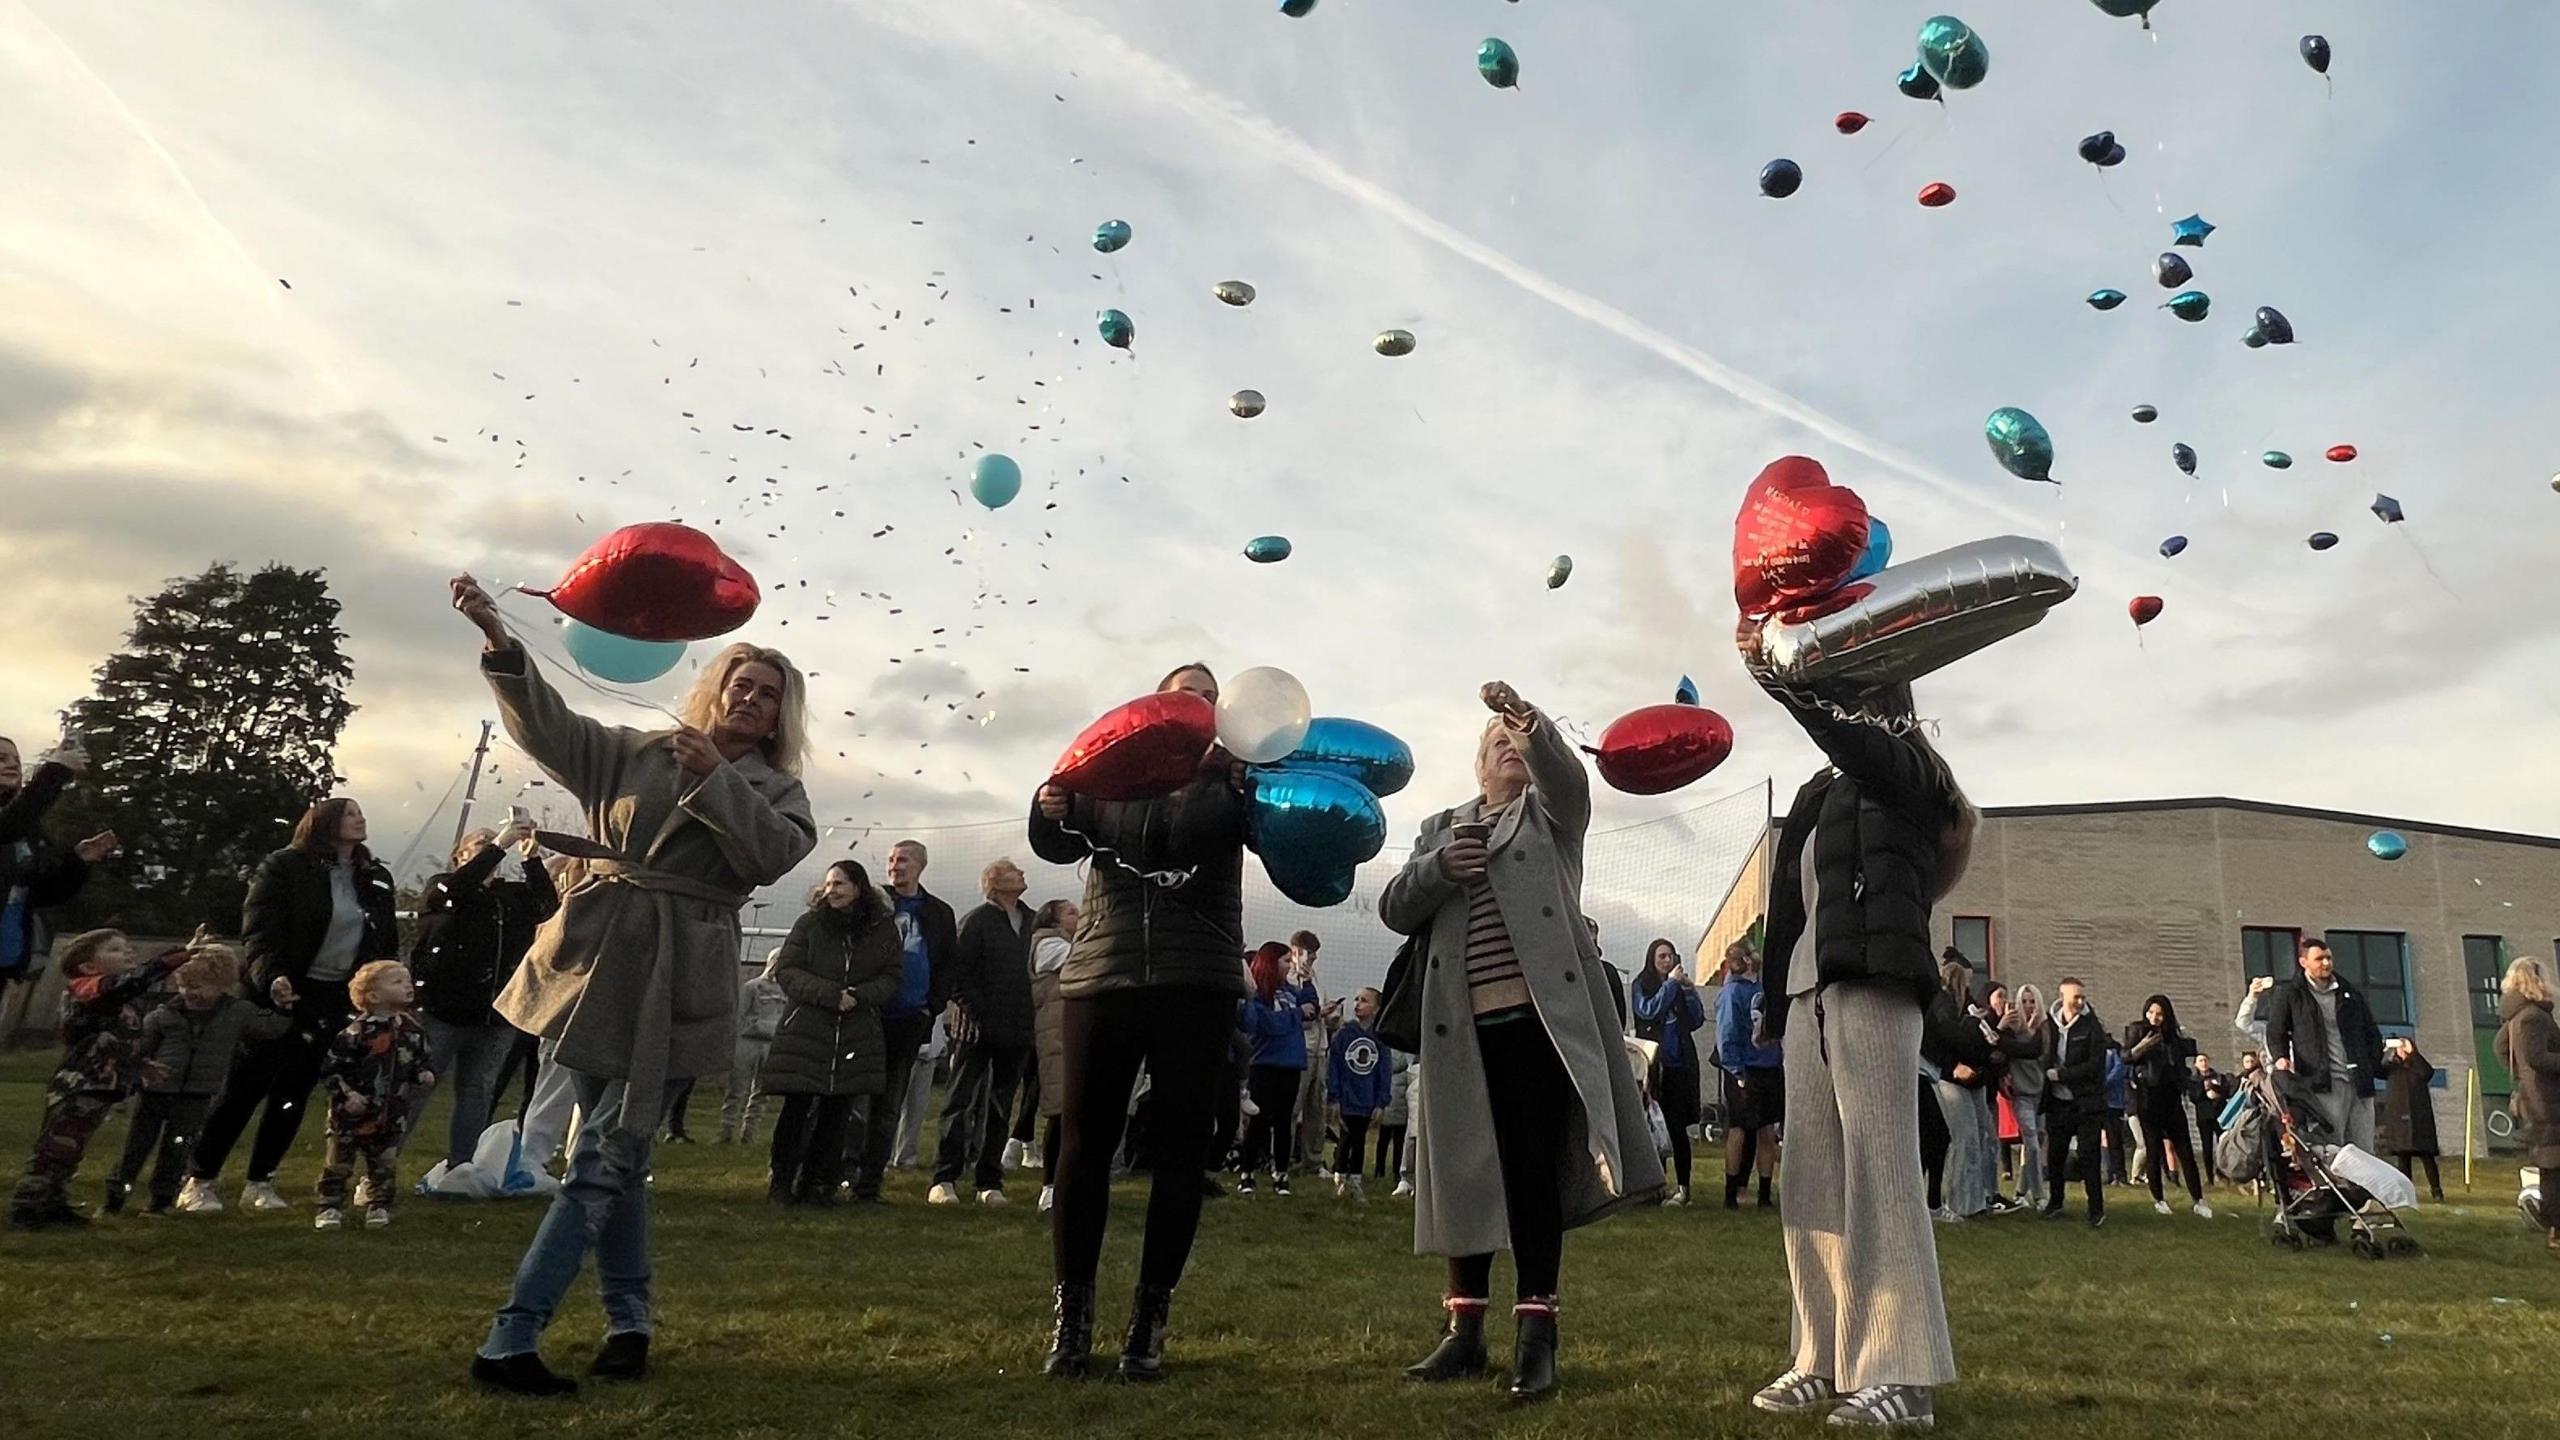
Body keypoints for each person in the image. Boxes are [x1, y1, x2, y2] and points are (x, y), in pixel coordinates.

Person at [450, 573, 816, 1398]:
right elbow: (548, 726)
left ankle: (512, 1336)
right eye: (741, 684)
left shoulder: (781, 793)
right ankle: (630, 1322)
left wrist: (711, 779)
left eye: (768, 695)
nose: (752, 700)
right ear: (714, 689)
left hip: (681, 970)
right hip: (592, 959)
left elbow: (769, 856)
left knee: (609, 1153)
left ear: (780, 717)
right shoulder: (631, 749)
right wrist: (501, 645)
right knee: (616, 1157)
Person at [1381, 681, 1659, 1403]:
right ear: (1478, 764)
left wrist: (1528, 720)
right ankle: (1462, 1334)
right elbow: (1393, 908)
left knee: (1533, 1176)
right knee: (1465, 1172)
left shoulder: (1555, 818)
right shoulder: (1441, 826)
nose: (1508, 747)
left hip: (1540, 1030)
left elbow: (1569, 778)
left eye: (1518, 743)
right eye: (1497, 741)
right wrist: (1439, 869)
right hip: (1459, 1033)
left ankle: (1537, 1337)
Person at [1739, 664, 1975, 1431]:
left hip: (1876, 978)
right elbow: (1788, 901)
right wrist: (1777, 1000)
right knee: (1812, 1177)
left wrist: (1785, 682)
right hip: (1811, 988)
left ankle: (1903, 1373)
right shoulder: (1817, 790)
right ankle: (1824, 1356)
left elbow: (1856, 741)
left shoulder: (1909, 765)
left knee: (1881, 1170)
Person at [1027, 662, 1248, 1382]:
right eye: (1185, 692)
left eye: (1212, 698)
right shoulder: (1108, 768)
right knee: (1083, 1146)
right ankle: (1073, 1320)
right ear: (1157, 703)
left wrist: (1238, 775)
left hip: (1198, 976)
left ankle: (1149, 1322)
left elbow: (1240, 839)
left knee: (1183, 1151)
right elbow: (1055, 841)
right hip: (1103, 973)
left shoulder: (1239, 777)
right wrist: (1049, 800)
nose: (1198, 704)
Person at [183, 796, 401, 1214]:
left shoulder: (373, 877)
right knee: (244, 1088)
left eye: (361, 812)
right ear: (324, 822)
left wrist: (376, 989)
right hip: (281, 990)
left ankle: (260, 1180)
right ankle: (200, 1178)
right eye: (350, 813)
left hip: (333, 995)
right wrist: (274, 978)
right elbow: (260, 932)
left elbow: (383, 940)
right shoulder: (284, 867)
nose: (360, 819)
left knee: (294, 1091)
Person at [7, 930, 190, 1228]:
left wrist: (141, 1064)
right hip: (78, 1085)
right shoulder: (88, 989)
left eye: (129, 947)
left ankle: (54, 1203)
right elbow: (131, 983)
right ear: (89, 966)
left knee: (72, 1149)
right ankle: (28, 1206)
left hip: (101, 1086)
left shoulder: (120, 1000)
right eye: (117, 949)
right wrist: (175, 958)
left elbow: (111, 1040)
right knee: (56, 1148)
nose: (128, 952)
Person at [410, 820, 559, 1175]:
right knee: (418, 1087)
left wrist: (532, 860)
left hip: (493, 1015)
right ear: (460, 855)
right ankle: (380, 1165)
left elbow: (546, 906)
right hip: (443, 1009)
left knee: (477, 1092)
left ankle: (463, 1167)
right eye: (481, 843)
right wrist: (500, 844)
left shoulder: (508, 897)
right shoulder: (443, 888)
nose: (493, 845)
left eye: (494, 842)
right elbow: (455, 891)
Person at [763, 860, 899, 1206]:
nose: (832, 890)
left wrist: (859, 996)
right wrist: (829, 995)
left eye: (840, 884)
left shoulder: (882, 930)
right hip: (807, 1031)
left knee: (837, 1114)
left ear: (858, 887)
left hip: (855, 1032)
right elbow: (788, 970)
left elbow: (892, 976)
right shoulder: (809, 925)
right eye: (829, 884)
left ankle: (818, 1183)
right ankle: (781, 1181)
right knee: (796, 1110)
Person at [117, 945, 289, 1215]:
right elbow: (140, 1048)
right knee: (137, 1145)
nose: (190, 993)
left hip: (197, 1095)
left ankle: (162, 1200)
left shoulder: (237, 1013)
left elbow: (269, 1028)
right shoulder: (163, 1015)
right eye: (184, 985)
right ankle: (115, 1196)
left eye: (199, 986)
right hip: (157, 1091)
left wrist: (283, 1009)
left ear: (223, 985)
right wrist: (140, 1068)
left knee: (177, 1148)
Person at [847, 839, 959, 1203]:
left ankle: (869, 1185)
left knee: (888, 1103)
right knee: (851, 1096)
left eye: (904, 859)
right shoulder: (869, 903)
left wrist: (931, 1006)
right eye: (892, 859)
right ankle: (839, 1171)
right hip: (865, 1013)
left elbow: (946, 964)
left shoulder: (938, 912)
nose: (895, 866)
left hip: (909, 1018)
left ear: (921, 866)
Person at [930, 858, 1039, 1206]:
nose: (1021, 873)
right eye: (1013, 870)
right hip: (974, 1031)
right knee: (958, 1103)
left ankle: (989, 1182)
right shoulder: (976, 921)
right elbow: (957, 974)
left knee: (1001, 1107)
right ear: (995, 881)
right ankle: (944, 1178)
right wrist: (979, 1012)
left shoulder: (1033, 922)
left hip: (1019, 1031)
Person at [0, 734, 115, 1045]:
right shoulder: (15, 824)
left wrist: (78, 861)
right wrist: (55, 770)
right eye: (1, 758)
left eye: (14, 758)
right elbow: (8, 826)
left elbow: (45, 892)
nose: (11, 763)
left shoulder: (27, 830)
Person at [312, 960, 434, 1231]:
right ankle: (329, 1206)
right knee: (338, 1164)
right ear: (374, 996)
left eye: (407, 980)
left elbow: (418, 1060)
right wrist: (347, 1095)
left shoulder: (412, 1031)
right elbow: (332, 1070)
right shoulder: (354, 1033)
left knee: (384, 1165)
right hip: (350, 1116)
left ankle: (378, 1205)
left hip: (391, 1113)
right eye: (398, 982)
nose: (408, 986)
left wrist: (423, 1073)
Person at [2264, 937, 2386, 1153]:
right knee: (2333, 1146)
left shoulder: (2349, 993)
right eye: (2319, 959)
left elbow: (2370, 1031)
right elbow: (2275, 1031)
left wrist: (2373, 1061)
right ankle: (2337, 1186)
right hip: (2324, 1084)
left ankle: (2364, 1187)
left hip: (2359, 1083)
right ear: (2304, 962)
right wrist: (2281, 1058)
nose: (2326, 963)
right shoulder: (2291, 994)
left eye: (2329, 958)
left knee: (2364, 1148)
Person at [1632, 938, 1708, 1206]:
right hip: (1655, 1066)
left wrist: (1689, 990)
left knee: (1677, 1129)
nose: (1667, 961)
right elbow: (1648, 1011)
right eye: (1662, 956)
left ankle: (1684, 1188)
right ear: (1652, 959)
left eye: (1670, 956)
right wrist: (1671, 985)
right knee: (1655, 1126)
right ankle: (1655, 1187)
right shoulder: (1642, 985)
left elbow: (1696, 1020)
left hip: (1680, 1066)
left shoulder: (1678, 986)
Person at [2493, 957, 2560, 1257]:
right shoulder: (2533, 1016)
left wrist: (2520, 1077)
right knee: (2554, 1168)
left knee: (2551, 1166)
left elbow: (2501, 1048)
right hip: (2549, 1101)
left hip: (2536, 1098)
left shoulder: (2516, 1017)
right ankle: (2555, 1226)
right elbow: (2537, 1057)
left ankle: (2553, 1223)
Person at [2124, 995, 2211, 1218]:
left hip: (2171, 1098)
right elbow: (2125, 1056)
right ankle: (2159, 1199)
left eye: (2160, 1014)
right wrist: (2141, 1047)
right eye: (2151, 1012)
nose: (2154, 1017)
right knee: (2153, 1150)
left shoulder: (2172, 1037)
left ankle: (2199, 1199)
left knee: (2185, 1150)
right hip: (2148, 1098)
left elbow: (2185, 1057)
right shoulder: (2138, 1031)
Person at [1715, 937, 1783, 1211]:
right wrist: (1735, 1069)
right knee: (1739, 1129)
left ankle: (1764, 1194)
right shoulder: (1732, 993)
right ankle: (1731, 1193)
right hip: (1744, 1069)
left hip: (1769, 1065)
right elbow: (1727, 1032)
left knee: (1767, 1129)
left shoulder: (1764, 988)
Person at [1235, 942, 1307, 1194]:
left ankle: (1282, 1174)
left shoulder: (1290, 992)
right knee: (1259, 1121)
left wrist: (1306, 981)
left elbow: (1310, 1006)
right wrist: (1296, 1015)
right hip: (1264, 1064)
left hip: (1291, 1064)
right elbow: (1265, 1025)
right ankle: (1247, 1172)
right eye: (1285, 961)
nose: (1289, 966)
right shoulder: (1258, 995)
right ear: (1271, 963)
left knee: (1284, 1120)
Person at [2039, 978, 2108, 1226]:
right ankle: (2055, 1202)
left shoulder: (2092, 1027)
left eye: (2082, 997)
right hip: (2058, 1103)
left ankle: (2096, 1209)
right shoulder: (2049, 1024)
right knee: (2056, 1155)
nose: (2079, 1002)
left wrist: (2062, 1075)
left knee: (2089, 1155)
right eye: (2075, 997)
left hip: (2087, 1103)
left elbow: (2094, 1066)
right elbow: (2039, 1051)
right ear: (2062, 996)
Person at [1025, 898, 1077, 1212]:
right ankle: (1050, 1187)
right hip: (1057, 1037)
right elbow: (1083, 960)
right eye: (1071, 912)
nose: (1080, 916)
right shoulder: (1048, 946)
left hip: (1069, 1035)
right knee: (1059, 1112)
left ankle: (1069, 1183)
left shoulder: (1064, 943)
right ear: (1053, 920)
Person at [719, 950, 789, 1145]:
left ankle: (749, 1133)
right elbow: (739, 1016)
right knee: (737, 1089)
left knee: (762, 1092)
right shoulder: (752, 987)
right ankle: (726, 1131)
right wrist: (751, 1028)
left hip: (771, 1044)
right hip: (748, 1042)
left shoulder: (787, 992)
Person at [1284, 931, 1338, 1179]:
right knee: (1292, 1105)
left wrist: (1331, 1017)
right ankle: (1281, 1159)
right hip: (1300, 1049)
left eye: (1315, 954)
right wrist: (1318, 1013)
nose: (1312, 959)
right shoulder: (1289, 977)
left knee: (1317, 1108)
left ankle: (1313, 1162)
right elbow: (1297, 1015)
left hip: (1320, 1049)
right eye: (1308, 953)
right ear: (1295, 951)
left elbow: (1318, 1013)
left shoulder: (1316, 977)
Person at [1328, 987, 1391, 1198]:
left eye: (1364, 1000)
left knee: (1359, 1140)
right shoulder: (1344, 1034)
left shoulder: (1379, 1038)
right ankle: (1340, 1177)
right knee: (1345, 1138)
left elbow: (1384, 1070)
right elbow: (1334, 1065)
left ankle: (1355, 1178)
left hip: (1367, 1100)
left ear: (1376, 1008)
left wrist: (1381, 1102)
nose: (1357, 1004)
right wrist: (1334, 1097)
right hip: (1346, 1098)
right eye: (1356, 999)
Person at [2001, 984, 2050, 1213]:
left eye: (2032, 1001)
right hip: (2022, 1093)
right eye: (2024, 1001)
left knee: (2036, 1143)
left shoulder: (2045, 1030)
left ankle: (2021, 1192)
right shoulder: (2013, 1029)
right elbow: (2009, 1050)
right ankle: (2040, 1195)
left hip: (2040, 1092)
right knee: (2031, 1143)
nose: (2029, 1006)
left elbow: (2039, 1052)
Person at [2376, 1037, 2443, 1203]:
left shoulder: (2417, 1065)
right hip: (2399, 1117)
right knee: (2403, 1157)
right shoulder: (2391, 1068)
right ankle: (2406, 1192)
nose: (2400, 1050)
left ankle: (2436, 1190)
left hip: (2419, 1116)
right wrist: (2381, 1051)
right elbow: (2377, 1070)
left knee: (2427, 1156)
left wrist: (2412, 1053)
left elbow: (2427, 1072)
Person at [2190, 1050, 2233, 1189]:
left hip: (2219, 1115)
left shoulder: (2218, 1076)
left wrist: (2215, 1087)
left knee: (2223, 1145)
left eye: (2205, 1060)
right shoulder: (2194, 1080)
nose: (2203, 1063)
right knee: (2207, 1147)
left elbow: (2226, 1092)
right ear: (2196, 1064)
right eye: (2200, 1061)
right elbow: (2194, 1098)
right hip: (2204, 1117)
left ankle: (2224, 1174)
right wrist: (2203, 1089)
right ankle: (2209, 1177)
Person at [1376, 1043, 1414, 1192]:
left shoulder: (1385, 1051)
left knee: (1384, 1139)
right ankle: (1396, 1171)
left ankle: (1380, 1169)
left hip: (1389, 1105)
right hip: (1399, 1106)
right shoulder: (1405, 1056)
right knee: (1398, 1141)